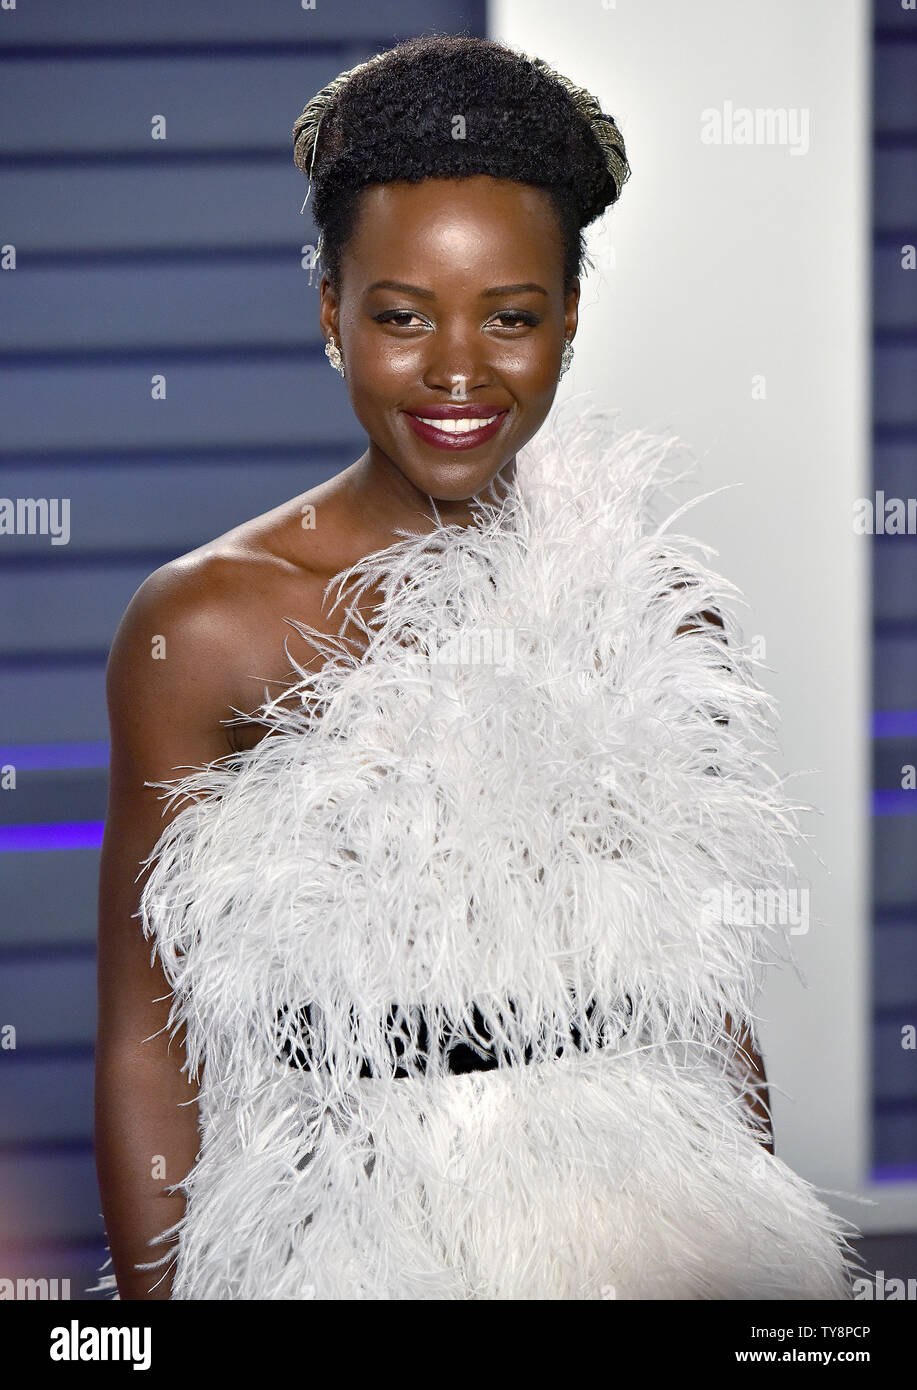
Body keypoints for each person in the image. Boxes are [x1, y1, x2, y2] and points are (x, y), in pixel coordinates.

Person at [92, 33, 861, 1299]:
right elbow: (144, 1037)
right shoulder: (207, 625)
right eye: (400, 317)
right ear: (330, 314)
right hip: (343, 1252)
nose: (457, 370)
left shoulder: (659, 614)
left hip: (665, 1244)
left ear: (566, 319)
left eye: (509, 317)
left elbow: (705, 1011)